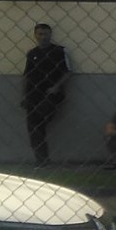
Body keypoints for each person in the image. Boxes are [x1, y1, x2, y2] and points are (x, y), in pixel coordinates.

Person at [20, 21, 71, 166]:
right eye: (40, 34)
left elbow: (68, 72)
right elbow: (26, 76)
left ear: (50, 35)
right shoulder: (32, 53)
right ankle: (41, 159)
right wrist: (24, 95)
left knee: (38, 122)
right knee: (34, 127)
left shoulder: (59, 51)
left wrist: (56, 87)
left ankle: (43, 159)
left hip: (50, 93)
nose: (43, 37)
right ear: (35, 35)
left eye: (46, 34)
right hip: (33, 94)